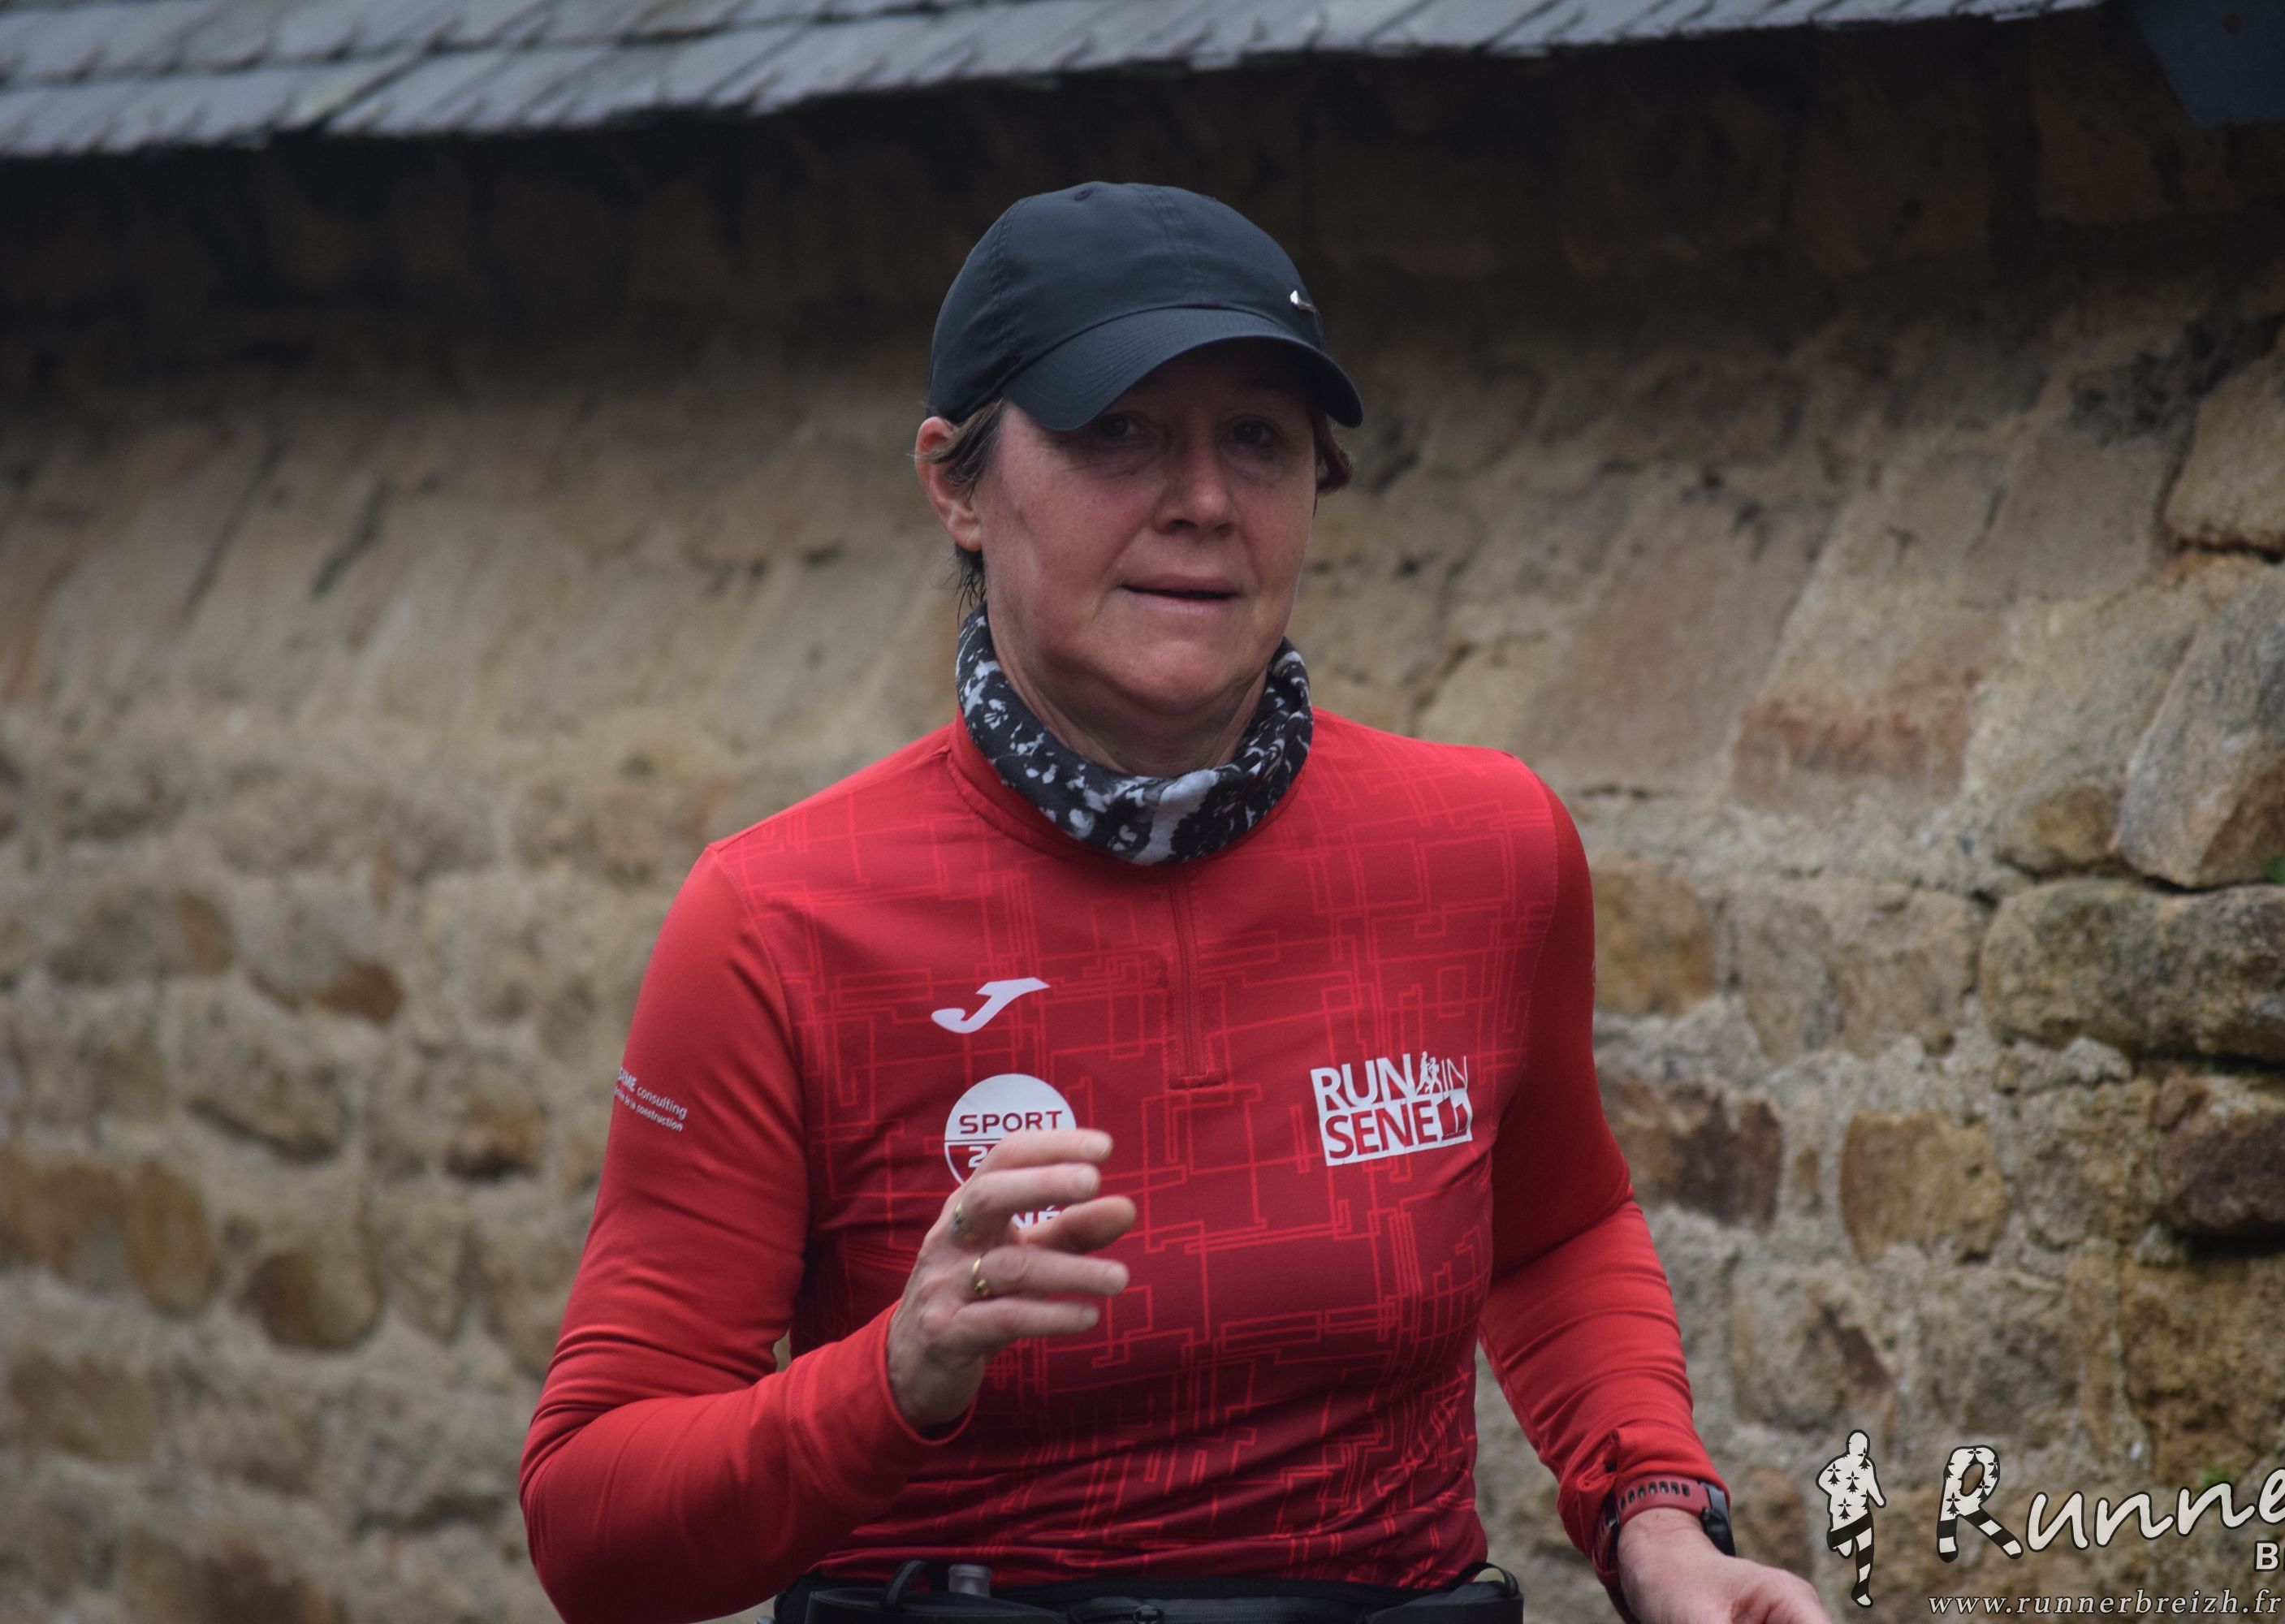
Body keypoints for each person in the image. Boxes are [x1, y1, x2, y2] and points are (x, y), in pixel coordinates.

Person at [518, 182, 1826, 1624]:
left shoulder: (1485, 847)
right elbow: (591, 1527)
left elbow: (1555, 1236)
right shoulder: (779, 920)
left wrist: (1656, 1521)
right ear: (958, 486)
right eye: (1117, 430)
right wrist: (895, 1375)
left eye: (1257, 438)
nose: (1203, 500)